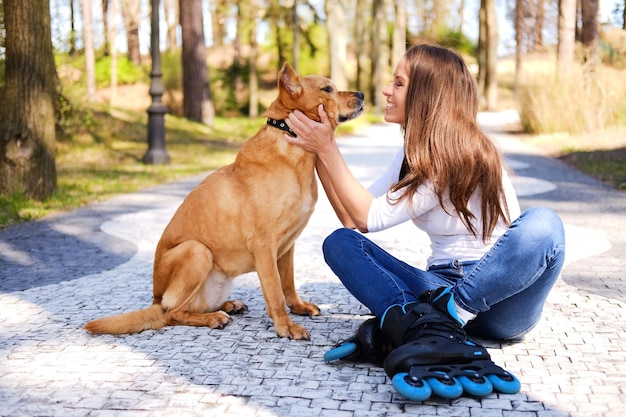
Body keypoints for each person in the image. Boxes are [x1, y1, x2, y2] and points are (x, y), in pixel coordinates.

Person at [283, 44, 565, 396]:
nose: (386, 90)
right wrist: (318, 148)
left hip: (500, 297)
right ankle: (425, 319)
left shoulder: (457, 152)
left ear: (425, 95)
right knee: (340, 243)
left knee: (544, 224)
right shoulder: (410, 151)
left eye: (398, 84)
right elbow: (350, 217)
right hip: (439, 283)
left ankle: (435, 319)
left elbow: (366, 216)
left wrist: (326, 148)